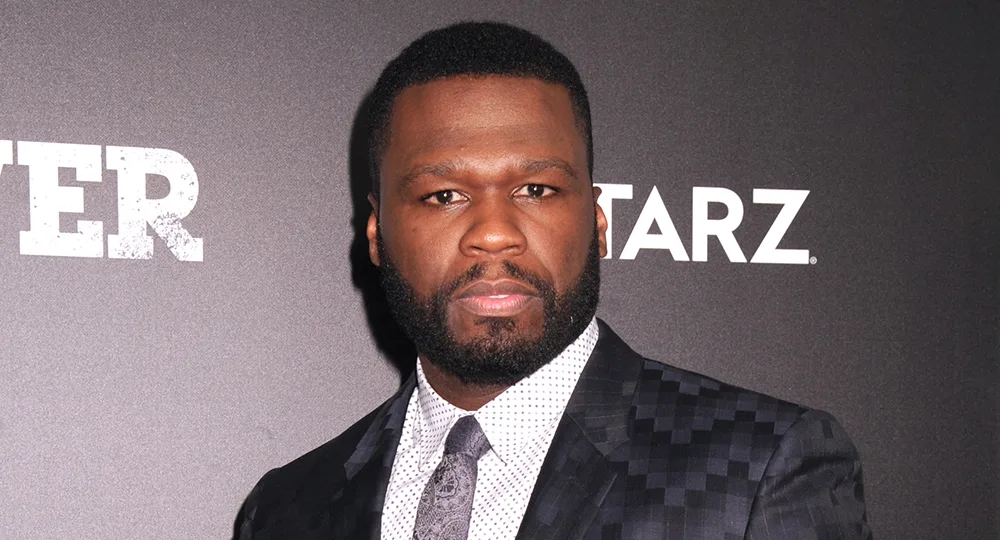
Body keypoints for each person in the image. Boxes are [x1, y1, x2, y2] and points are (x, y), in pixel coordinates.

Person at [235, 21, 872, 540]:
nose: (493, 231)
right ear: (376, 234)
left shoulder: (761, 470)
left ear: (596, 221)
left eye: (535, 189)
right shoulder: (288, 508)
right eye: (444, 194)